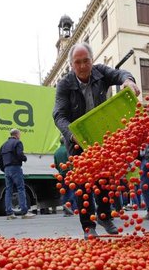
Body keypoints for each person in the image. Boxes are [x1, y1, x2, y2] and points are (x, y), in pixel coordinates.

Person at [53, 42, 140, 239]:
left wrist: (128, 80)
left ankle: (104, 216)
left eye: (86, 61)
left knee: (104, 180)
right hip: (77, 140)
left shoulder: (100, 73)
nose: (83, 66)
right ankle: (88, 225)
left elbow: (119, 74)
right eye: (78, 62)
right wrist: (71, 133)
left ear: (92, 61)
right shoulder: (65, 85)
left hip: (101, 137)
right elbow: (59, 114)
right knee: (82, 184)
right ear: (72, 65)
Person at [0, 129, 35, 219]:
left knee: (8, 190)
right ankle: (24, 212)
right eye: (20, 134)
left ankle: (9, 213)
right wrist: (24, 158)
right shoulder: (18, 143)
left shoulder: (4, 145)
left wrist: (4, 168)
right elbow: (19, 154)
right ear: (17, 135)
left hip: (7, 169)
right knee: (21, 189)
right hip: (15, 168)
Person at [53, 136, 76, 216]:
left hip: (61, 174)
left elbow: (55, 164)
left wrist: (60, 170)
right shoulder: (67, 150)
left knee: (64, 192)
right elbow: (71, 161)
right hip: (69, 173)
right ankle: (70, 205)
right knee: (74, 191)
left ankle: (66, 211)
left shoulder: (56, 152)